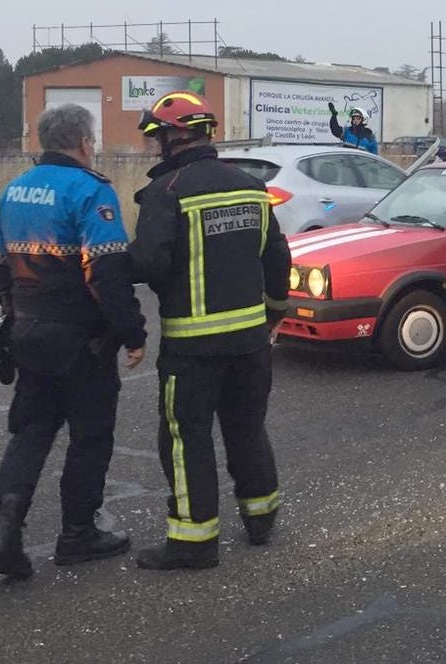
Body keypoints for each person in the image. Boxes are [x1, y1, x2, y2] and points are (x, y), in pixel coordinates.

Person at [0, 104, 147, 579]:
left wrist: (15, 317)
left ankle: (5, 528)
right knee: (90, 436)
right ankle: (78, 534)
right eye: (92, 139)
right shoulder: (90, 190)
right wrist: (132, 332)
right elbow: (107, 270)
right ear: (83, 142)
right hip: (82, 340)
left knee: (31, 432)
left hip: (28, 331)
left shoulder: (14, 190)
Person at [130, 91, 291, 570]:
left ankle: (193, 543)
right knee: (246, 426)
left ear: (174, 136)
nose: (156, 146)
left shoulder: (167, 192)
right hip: (250, 342)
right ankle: (261, 519)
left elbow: (151, 262)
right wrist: (274, 313)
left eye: (157, 136)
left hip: (192, 346)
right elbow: (277, 258)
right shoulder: (249, 186)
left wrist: (119, 263)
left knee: (186, 437)